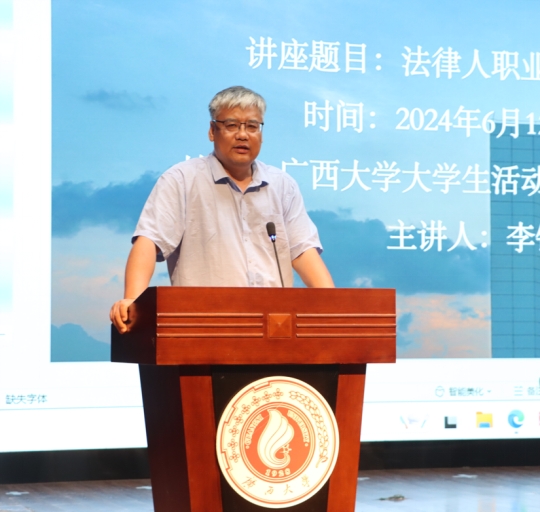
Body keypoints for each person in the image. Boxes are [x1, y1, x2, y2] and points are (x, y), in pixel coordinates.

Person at [110, 86, 334, 333]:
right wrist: (133, 300)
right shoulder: (182, 179)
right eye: (231, 125)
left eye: (252, 126)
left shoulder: (282, 185)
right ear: (212, 131)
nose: (243, 135)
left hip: (273, 326)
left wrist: (335, 307)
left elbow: (302, 251)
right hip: (203, 325)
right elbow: (149, 240)